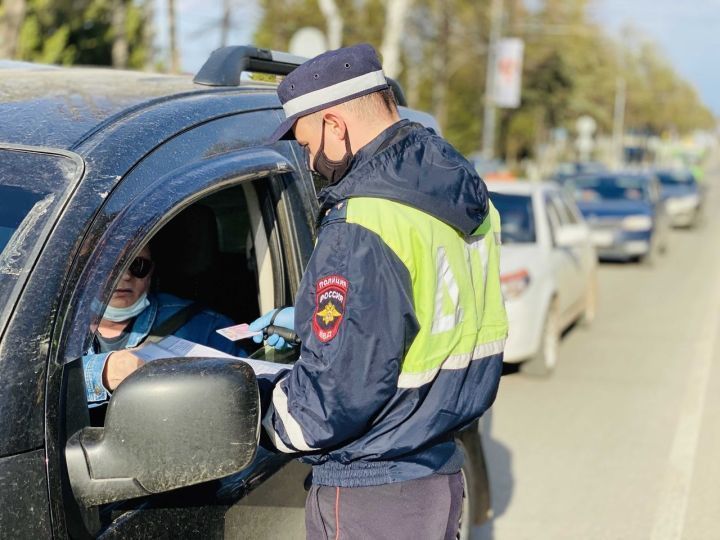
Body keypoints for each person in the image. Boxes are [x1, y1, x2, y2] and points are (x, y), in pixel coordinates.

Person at [249, 43, 508, 539]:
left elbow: (329, 404)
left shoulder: (364, 219)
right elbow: (425, 307)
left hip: (372, 494)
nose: (309, 162)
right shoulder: (455, 188)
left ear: (334, 125)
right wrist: (309, 318)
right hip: (437, 472)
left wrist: (255, 410)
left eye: (306, 145)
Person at [82, 244, 245, 408]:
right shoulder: (58, 327)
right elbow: (55, 383)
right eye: (109, 265)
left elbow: (246, 392)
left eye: (138, 265)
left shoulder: (205, 327)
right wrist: (102, 373)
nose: (125, 275)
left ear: (150, 272)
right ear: (85, 272)